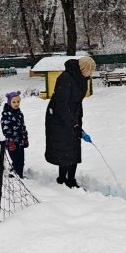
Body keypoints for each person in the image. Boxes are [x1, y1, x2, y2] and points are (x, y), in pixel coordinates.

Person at [45, 56, 96, 188]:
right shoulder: (66, 78)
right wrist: (73, 123)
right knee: (65, 148)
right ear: (82, 68)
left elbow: (77, 101)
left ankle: (71, 179)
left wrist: (77, 121)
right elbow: (61, 104)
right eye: (89, 70)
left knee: (74, 147)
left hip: (73, 115)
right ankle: (62, 179)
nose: (91, 73)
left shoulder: (81, 79)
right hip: (59, 118)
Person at [0, 91, 29, 178]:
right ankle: (14, 177)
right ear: (9, 102)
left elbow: (23, 126)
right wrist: (10, 142)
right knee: (16, 161)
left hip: (20, 141)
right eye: (14, 102)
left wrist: (25, 138)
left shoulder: (19, 113)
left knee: (21, 160)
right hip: (12, 143)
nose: (16, 104)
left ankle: (19, 176)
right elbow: (6, 130)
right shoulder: (6, 115)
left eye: (18, 102)